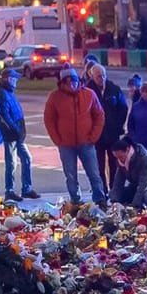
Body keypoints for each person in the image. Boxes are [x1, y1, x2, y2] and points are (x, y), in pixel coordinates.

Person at [43, 67, 107, 206]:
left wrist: (93, 136)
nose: (73, 84)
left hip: (86, 141)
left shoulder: (89, 94)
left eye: (75, 81)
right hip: (66, 144)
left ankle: (100, 199)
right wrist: (57, 139)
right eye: (69, 81)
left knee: (94, 173)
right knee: (70, 175)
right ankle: (76, 200)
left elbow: (99, 115)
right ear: (62, 83)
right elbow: (49, 119)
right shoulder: (55, 97)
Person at [0, 68, 37, 200]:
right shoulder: (2, 93)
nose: (16, 81)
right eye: (14, 79)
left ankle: (26, 188)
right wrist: (15, 130)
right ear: (7, 79)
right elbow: (5, 116)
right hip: (11, 134)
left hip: (16, 133)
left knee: (25, 158)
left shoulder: (8, 92)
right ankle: (10, 190)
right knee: (12, 162)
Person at [88, 63, 125, 197]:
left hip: (112, 133)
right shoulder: (88, 91)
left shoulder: (114, 89)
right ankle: (101, 190)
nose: (102, 78)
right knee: (99, 164)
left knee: (114, 163)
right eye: (98, 76)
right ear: (92, 76)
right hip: (97, 135)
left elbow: (123, 108)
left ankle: (114, 189)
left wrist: (117, 125)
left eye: (103, 75)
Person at [107, 136, 147, 209]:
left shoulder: (145, 159)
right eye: (117, 157)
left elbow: (144, 184)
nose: (119, 159)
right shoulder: (120, 162)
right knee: (113, 193)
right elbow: (118, 182)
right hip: (136, 188)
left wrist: (134, 206)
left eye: (121, 156)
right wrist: (114, 201)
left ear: (127, 149)